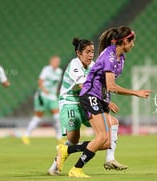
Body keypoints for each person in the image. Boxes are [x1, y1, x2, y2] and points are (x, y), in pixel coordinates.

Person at [56, 26, 152, 178]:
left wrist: (106, 102)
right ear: (125, 41)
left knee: (106, 142)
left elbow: (105, 85)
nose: (133, 44)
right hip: (89, 96)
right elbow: (111, 86)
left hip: (98, 97)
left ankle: (67, 150)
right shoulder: (109, 57)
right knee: (100, 138)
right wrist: (136, 92)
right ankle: (76, 169)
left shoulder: (121, 58)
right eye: (132, 41)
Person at [47, 38, 127, 175]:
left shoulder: (93, 66)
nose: (90, 55)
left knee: (111, 127)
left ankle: (110, 158)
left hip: (87, 102)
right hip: (70, 103)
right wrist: (105, 102)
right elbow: (85, 86)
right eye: (87, 52)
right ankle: (55, 164)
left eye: (92, 52)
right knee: (73, 140)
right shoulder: (74, 65)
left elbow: (100, 87)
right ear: (78, 53)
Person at [21, 56, 62, 145]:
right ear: (50, 62)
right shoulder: (46, 69)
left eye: (57, 62)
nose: (56, 63)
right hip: (42, 95)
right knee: (38, 117)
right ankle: (26, 135)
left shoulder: (59, 71)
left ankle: (59, 137)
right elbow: (40, 81)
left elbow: (56, 84)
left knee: (57, 116)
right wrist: (44, 90)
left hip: (52, 96)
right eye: (54, 61)